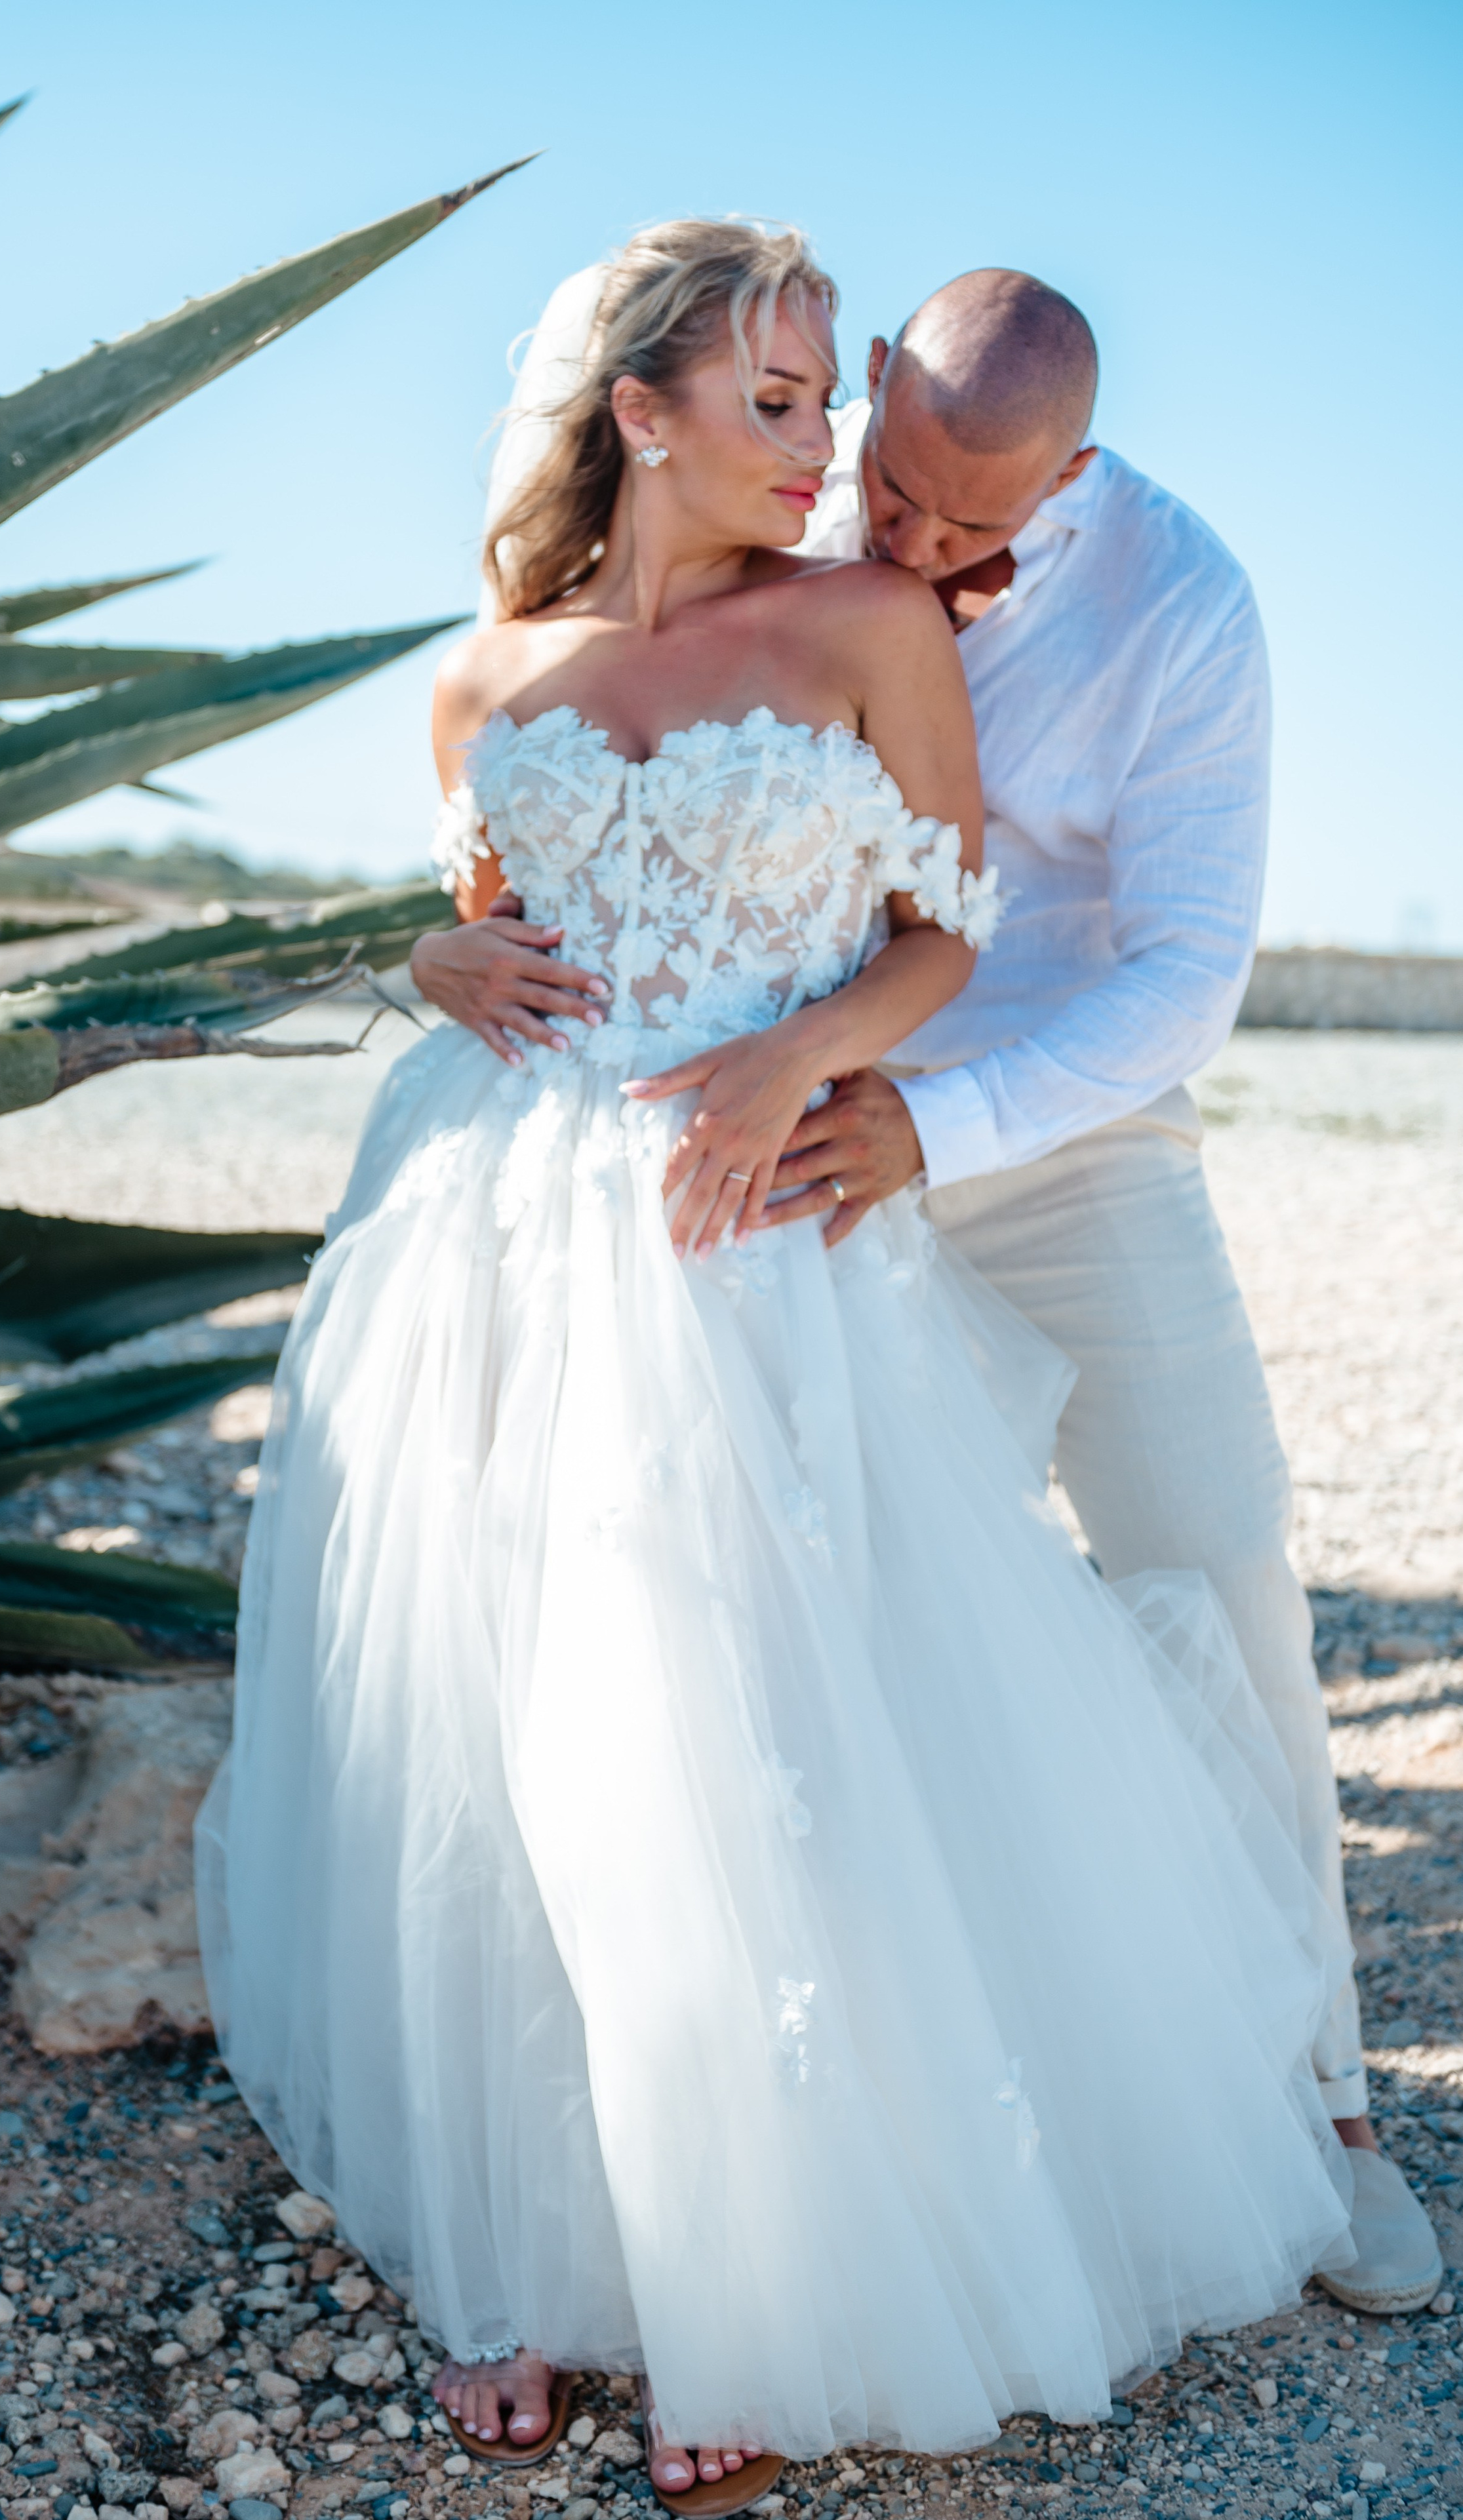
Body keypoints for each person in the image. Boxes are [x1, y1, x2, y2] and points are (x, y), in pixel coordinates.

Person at [199, 220, 1358, 2517]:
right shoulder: (486, 673)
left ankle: (815, 2251)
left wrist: (810, 1069)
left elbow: (981, 940)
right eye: (796, 410)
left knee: (787, 1692)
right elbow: (488, 917)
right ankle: (528, 2251)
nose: (842, 471)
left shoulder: (915, 622)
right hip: (509, 1233)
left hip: (814, 1190)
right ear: (645, 410)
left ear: (1059, 480)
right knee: (504, 1702)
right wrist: (425, 953)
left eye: (848, 421)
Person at [416, 262, 1439, 2319]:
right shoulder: (762, 540)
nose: (921, 543)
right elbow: (532, 826)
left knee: (1219, 1552)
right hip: (772, 1148)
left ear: (1079, 473)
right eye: (899, 485)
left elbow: (1182, 975)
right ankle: (915, 2120)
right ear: (871, 384)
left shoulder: (1187, 608)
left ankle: (1321, 2102)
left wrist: (930, 1130)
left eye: (987, 531)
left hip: (1052, 1125)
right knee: (823, 1626)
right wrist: (435, 949)